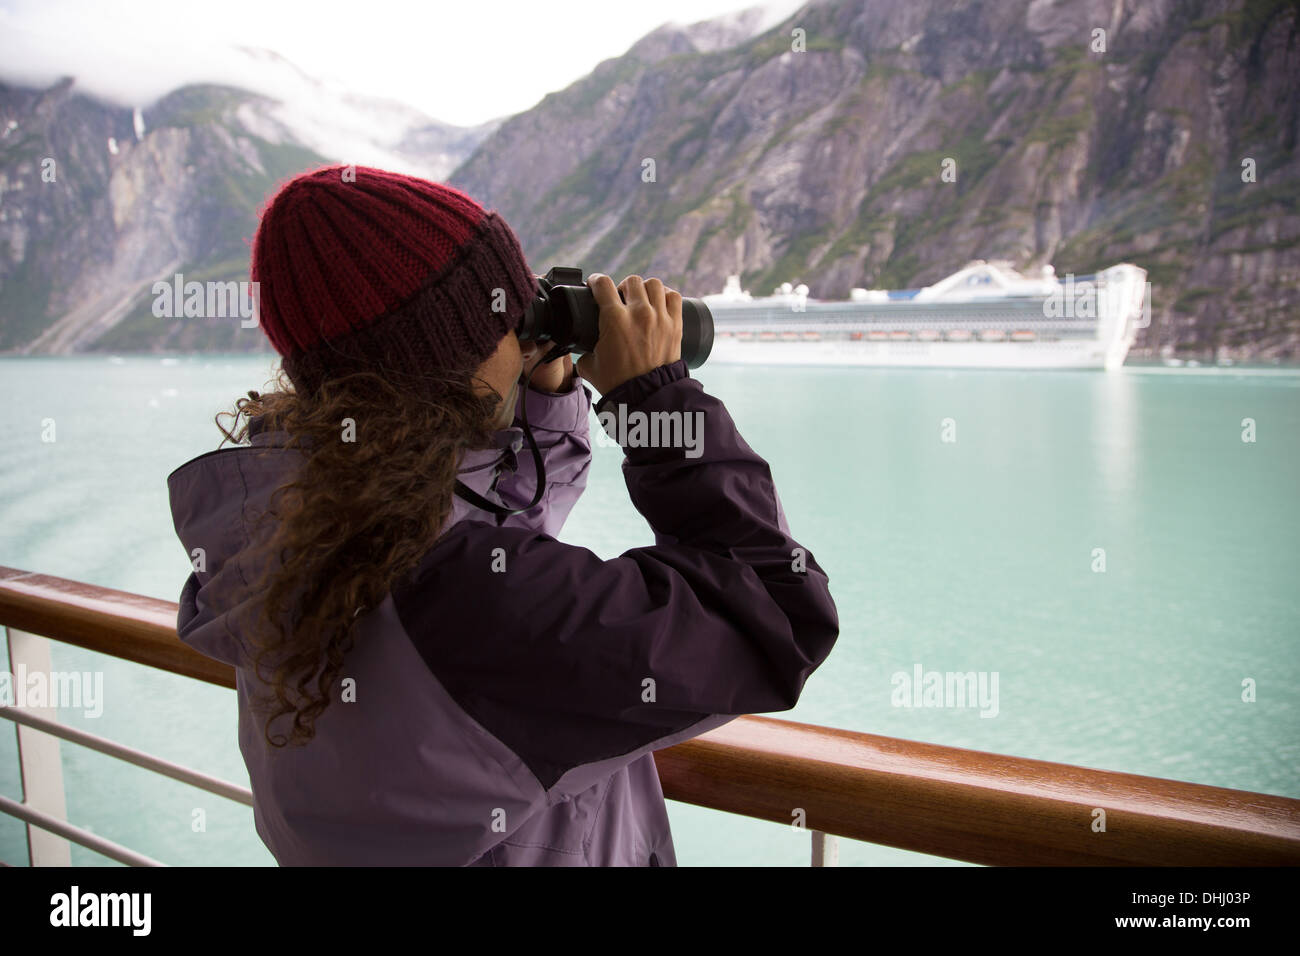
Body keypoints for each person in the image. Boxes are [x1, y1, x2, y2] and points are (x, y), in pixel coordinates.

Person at [166, 165, 839, 866]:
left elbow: (484, 545)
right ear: (447, 366)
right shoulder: (468, 600)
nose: (522, 338)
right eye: (506, 320)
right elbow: (776, 615)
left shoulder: (300, 537)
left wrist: (542, 397)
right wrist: (654, 403)